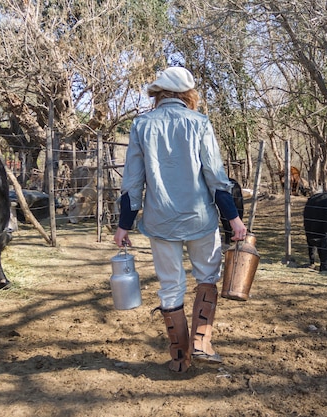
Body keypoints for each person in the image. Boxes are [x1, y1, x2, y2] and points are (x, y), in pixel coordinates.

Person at [113, 66, 247, 374]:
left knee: (170, 286)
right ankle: (201, 342)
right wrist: (234, 219)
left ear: (158, 94)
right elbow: (216, 177)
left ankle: (178, 359)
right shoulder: (199, 123)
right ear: (188, 95)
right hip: (200, 218)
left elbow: (132, 181)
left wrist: (124, 224)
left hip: (160, 221)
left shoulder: (141, 125)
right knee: (207, 278)